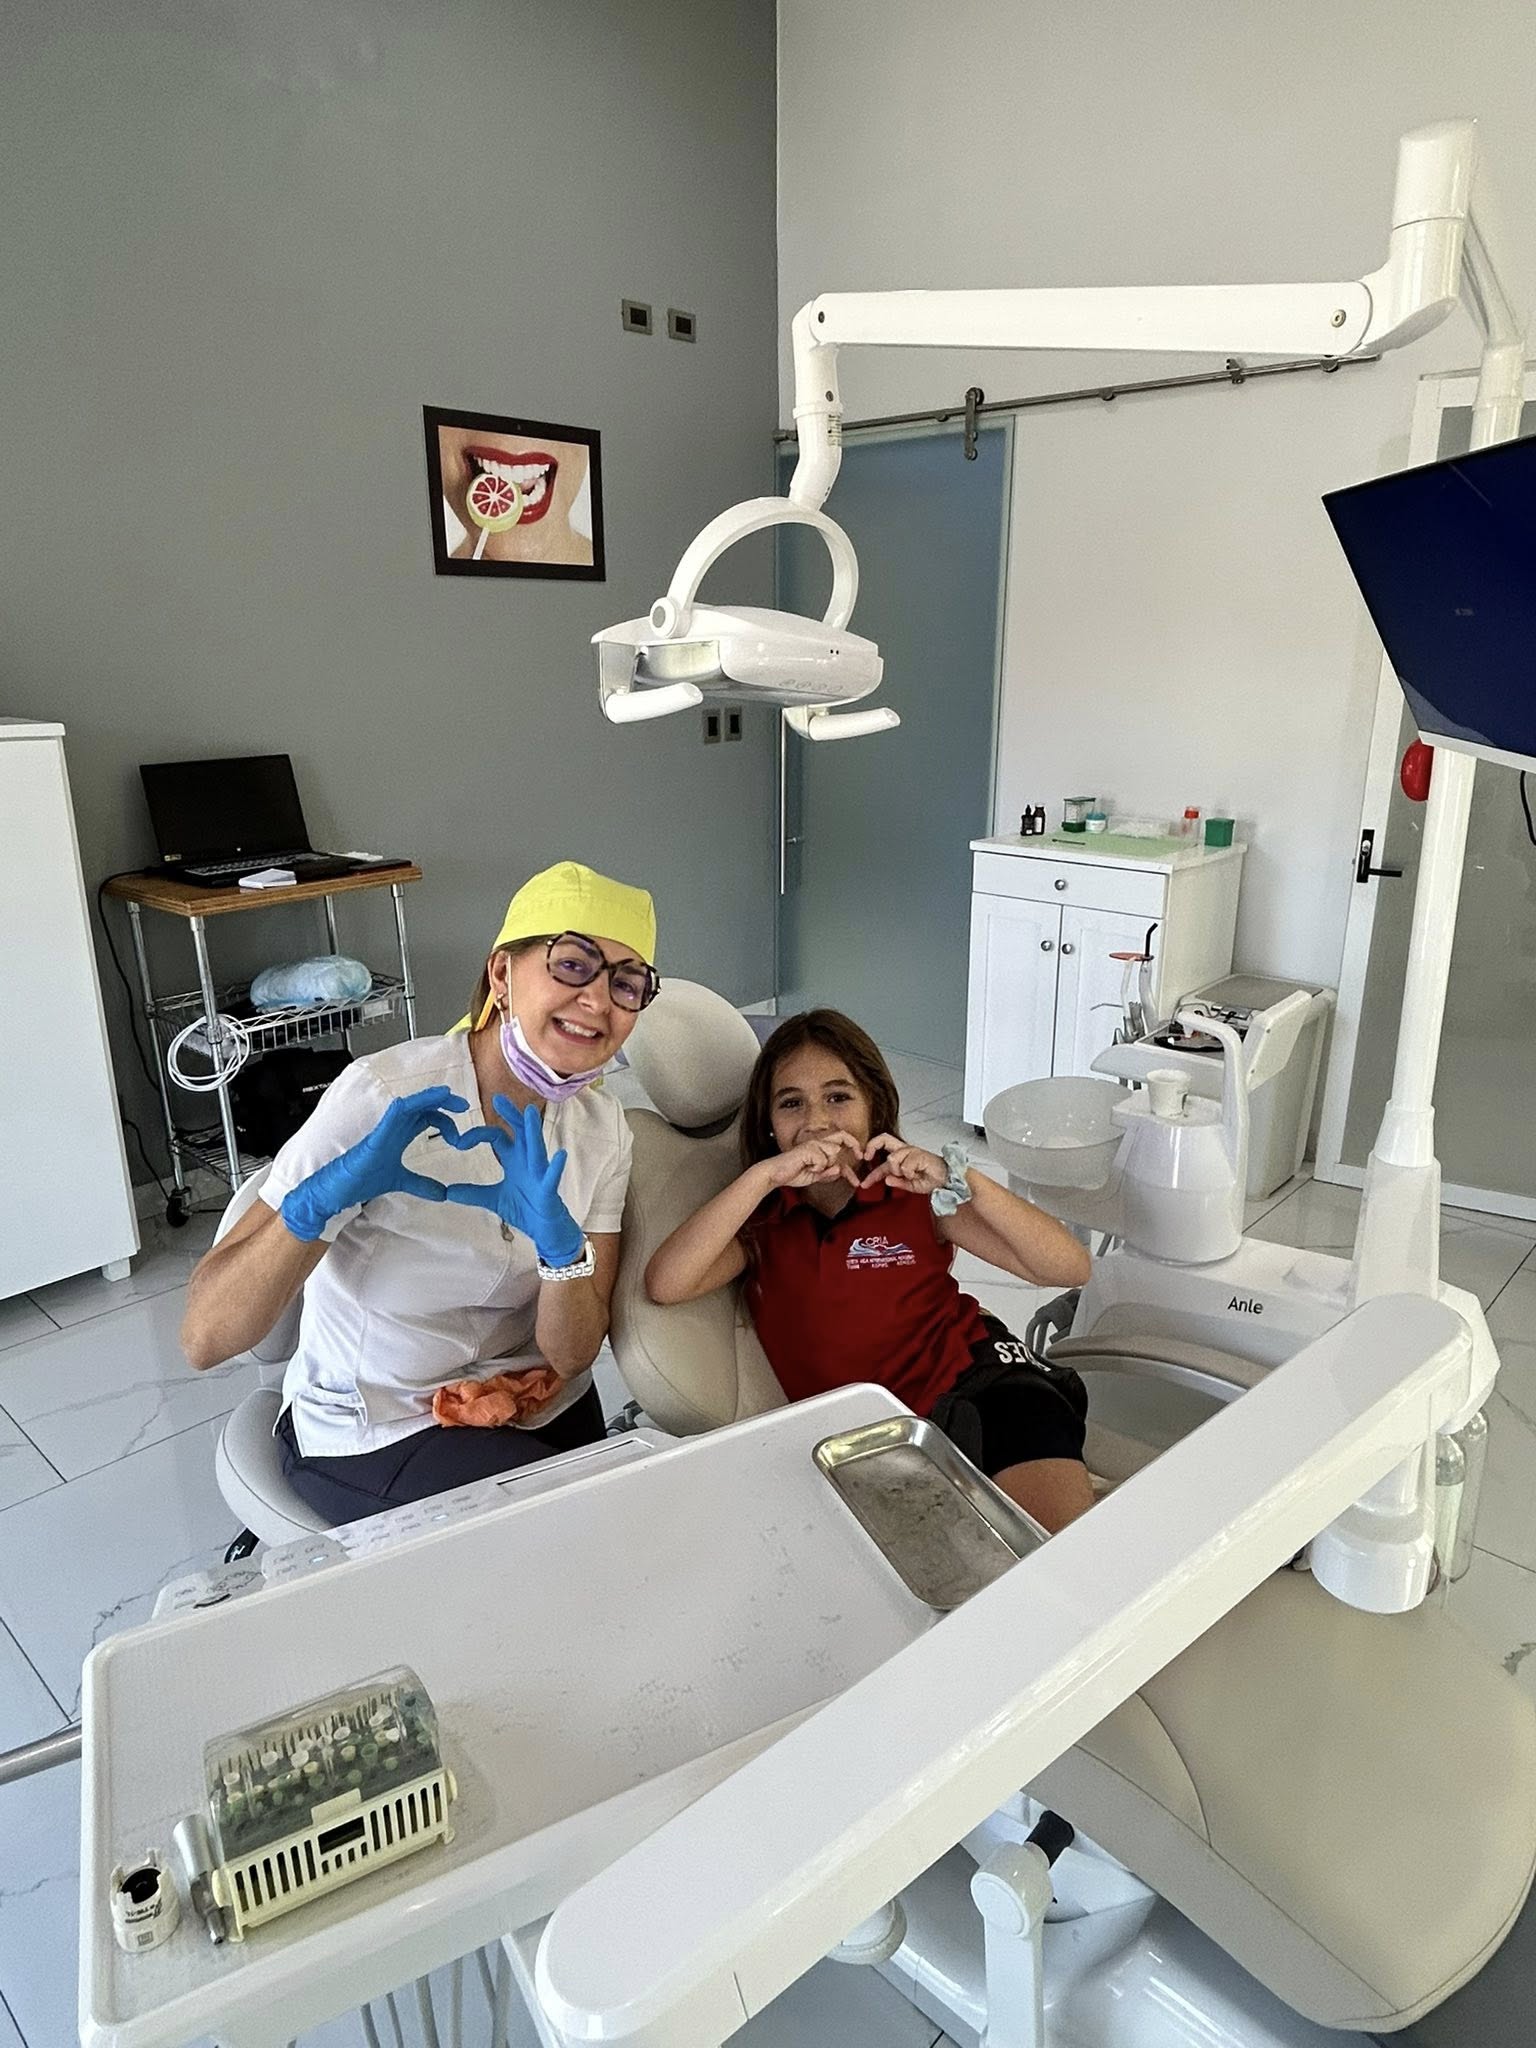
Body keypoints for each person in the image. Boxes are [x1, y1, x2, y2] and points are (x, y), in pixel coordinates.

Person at [181, 861, 658, 1522]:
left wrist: (562, 1252)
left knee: (633, 1523)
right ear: (502, 975)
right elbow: (205, 1338)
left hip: (535, 1401)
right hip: (381, 1424)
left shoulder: (602, 1131)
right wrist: (315, 1205)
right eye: (572, 965)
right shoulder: (382, 1096)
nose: (599, 1000)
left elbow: (572, 1356)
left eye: (626, 983)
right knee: (570, 1535)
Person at [646, 1009, 1096, 1531]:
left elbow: (1069, 1267)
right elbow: (666, 1284)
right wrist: (764, 1177)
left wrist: (958, 1176)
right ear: (769, 1125)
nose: (816, 1121)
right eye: (791, 1103)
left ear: (874, 1107)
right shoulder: (765, 1222)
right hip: (876, 1434)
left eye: (838, 1097)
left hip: (983, 1385)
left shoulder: (912, 1196)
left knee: (1058, 1554)